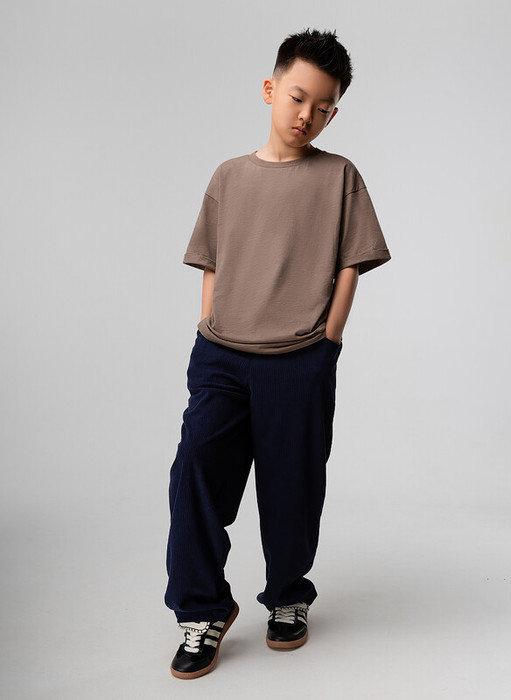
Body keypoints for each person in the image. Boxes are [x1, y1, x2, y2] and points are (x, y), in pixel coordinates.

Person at [165, 27, 391, 680]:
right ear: (270, 89)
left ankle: (288, 595)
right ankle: (201, 610)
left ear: (333, 113)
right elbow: (210, 258)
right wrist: (209, 323)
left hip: (299, 358)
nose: (306, 115)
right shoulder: (229, 176)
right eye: (297, 97)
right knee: (195, 475)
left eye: (323, 107)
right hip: (221, 355)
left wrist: (329, 339)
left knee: (292, 484)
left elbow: (351, 262)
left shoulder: (339, 177)